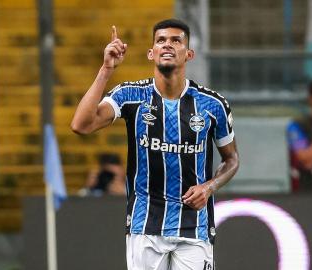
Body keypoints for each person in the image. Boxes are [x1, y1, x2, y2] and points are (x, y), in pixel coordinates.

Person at [71, 19, 239, 269]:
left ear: (189, 54)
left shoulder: (212, 105)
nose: (167, 45)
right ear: (151, 53)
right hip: (144, 224)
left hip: (194, 226)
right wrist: (106, 69)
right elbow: (82, 125)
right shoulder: (130, 95)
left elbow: (231, 160)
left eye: (176, 40)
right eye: (161, 40)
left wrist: (209, 187)